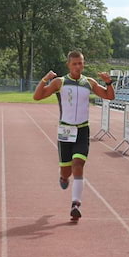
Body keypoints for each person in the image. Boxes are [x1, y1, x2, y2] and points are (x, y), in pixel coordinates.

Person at [33, 50, 115, 222]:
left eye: (81, 63)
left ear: (83, 64)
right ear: (68, 65)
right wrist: (44, 80)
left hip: (82, 130)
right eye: (74, 64)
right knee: (66, 170)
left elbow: (109, 96)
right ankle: (63, 177)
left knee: (78, 164)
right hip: (65, 130)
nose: (78, 66)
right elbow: (37, 96)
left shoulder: (89, 82)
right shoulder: (60, 82)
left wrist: (109, 83)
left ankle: (75, 204)